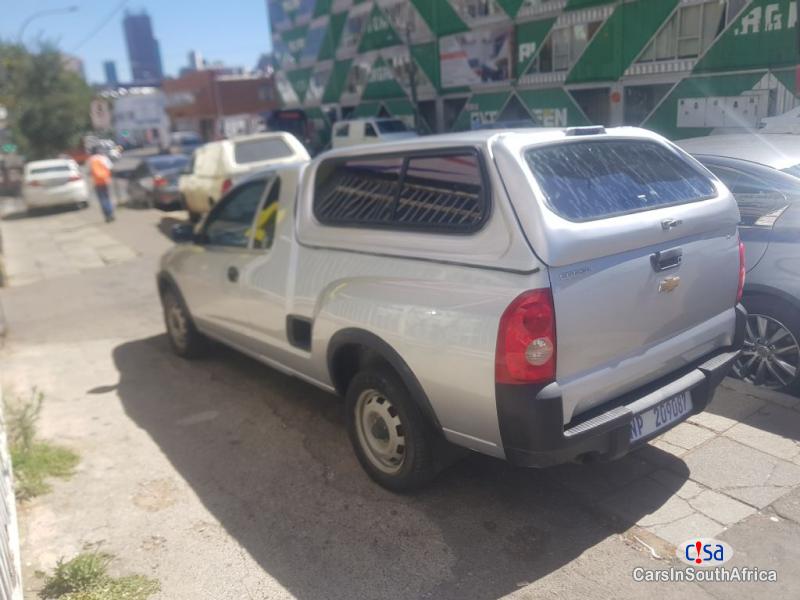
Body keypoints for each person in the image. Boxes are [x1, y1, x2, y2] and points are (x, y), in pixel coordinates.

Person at [87, 146, 115, 222]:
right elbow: (110, 168)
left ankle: (107, 216)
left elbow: (89, 171)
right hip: (106, 181)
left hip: (97, 183)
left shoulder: (90, 160)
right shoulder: (103, 158)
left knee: (102, 199)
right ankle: (111, 214)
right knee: (107, 197)